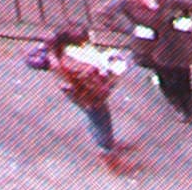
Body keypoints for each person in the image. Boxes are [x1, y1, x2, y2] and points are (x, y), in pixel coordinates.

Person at [96, 0, 192, 120]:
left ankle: (189, 102)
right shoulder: (126, 2)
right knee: (166, 76)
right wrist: (131, 29)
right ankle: (178, 105)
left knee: (183, 73)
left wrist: (190, 21)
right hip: (150, 46)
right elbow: (102, 14)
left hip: (173, 42)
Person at [35, 24, 131, 166]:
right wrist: (113, 76)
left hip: (78, 93)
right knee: (100, 121)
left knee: (98, 119)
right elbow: (98, 88)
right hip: (89, 97)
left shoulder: (59, 52)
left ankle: (108, 144)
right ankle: (108, 153)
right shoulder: (80, 66)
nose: (91, 38)